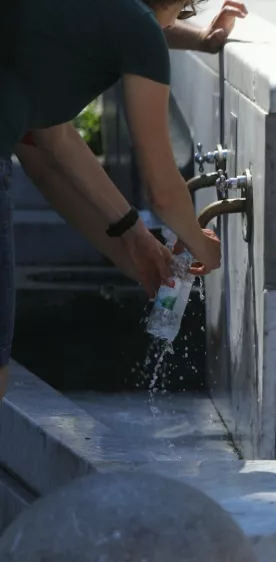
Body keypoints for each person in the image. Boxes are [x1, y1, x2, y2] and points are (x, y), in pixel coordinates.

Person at [0, 0, 248, 401]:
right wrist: (203, 248)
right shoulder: (135, 26)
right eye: (186, 11)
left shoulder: (75, 20)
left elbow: (49, 153)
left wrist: (130, 241)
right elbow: (163, 191)